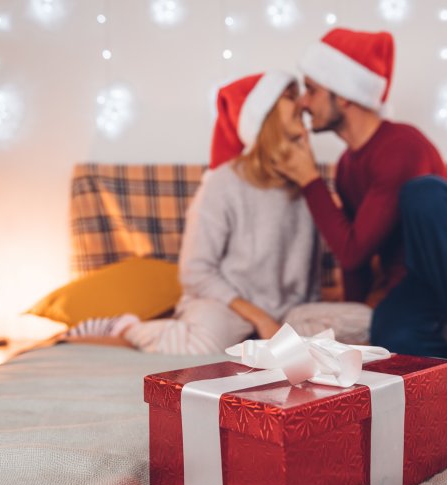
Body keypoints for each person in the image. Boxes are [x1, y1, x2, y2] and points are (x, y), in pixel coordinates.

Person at [274, 29, 447, 363]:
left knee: (423, 192)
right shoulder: (346, 166)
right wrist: (356, 316)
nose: (303, 102)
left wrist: (310, 180)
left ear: (343, 95)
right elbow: (354, 254)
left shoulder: (402, 145)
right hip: (420, 282)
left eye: (311, 90)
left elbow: (353, 251)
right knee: (391, 336)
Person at [66, 72, 327, 354]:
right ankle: (127, 329)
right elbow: (196, 273)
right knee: (207, 343)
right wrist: (260, 318)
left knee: (356, 326)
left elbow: (310, 275)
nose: (302, 102)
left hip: (286, 312)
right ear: (265, 115)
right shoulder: (223, 182)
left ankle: (252, 343)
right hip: (226, 306)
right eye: (289, 97)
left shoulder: (309, 185)